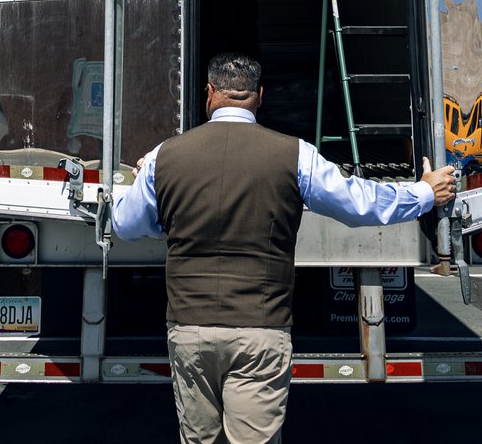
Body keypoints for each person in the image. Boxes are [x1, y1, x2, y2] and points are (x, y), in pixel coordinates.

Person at [112, 52, 458, 444]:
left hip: (189, 327)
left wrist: (152, 193)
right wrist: (425, 193)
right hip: (261, 326)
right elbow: (360, 204)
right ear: (259, 96)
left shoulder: (164, 156)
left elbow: (125, 224)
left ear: (208, 93)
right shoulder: (295, 155)